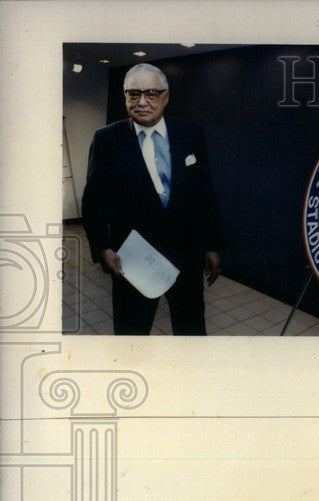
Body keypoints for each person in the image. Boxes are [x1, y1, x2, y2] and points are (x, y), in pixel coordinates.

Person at [82, 63, 224, 335]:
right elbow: (93, 201)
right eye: (133, 94)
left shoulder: (191, 135)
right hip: (133, 260)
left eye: (151, 93)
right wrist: (102, 249)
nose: (142, 102)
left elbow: (205, 194)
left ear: (166, 97)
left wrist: (212, 245)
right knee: (131, 336)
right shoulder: (106, 139)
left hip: (186, 255)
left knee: (191, 331)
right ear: (124, 97)